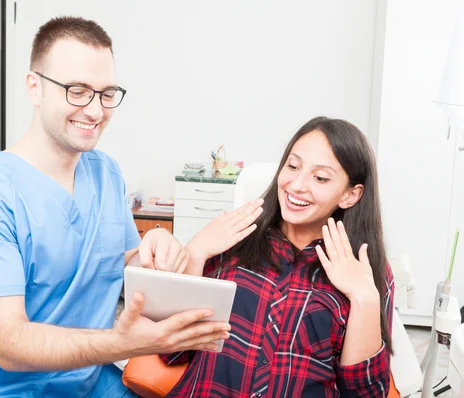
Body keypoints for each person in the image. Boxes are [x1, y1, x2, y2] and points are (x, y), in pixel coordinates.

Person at [0, 16, 232, 397]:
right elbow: (9, 345)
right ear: (35, 87)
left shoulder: (104, 171)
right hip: (3, 389)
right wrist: (126, 343)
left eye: (106, 93)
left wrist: (154, 247)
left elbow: (120, 262)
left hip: (88, 378)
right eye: (77, 91)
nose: (95, 111)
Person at [160, 116, 395, 397]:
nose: (296, 185)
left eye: (320, 177)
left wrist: (364, 298)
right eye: (292, 166)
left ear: (350, 195)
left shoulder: (365, 270)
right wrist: (195, 252)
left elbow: (366, 394)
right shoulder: (232, 241)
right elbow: (171, 352)